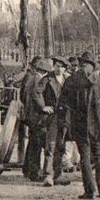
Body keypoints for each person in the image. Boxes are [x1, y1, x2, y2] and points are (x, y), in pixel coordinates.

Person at [63, 51, 100, 199]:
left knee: (85, 158)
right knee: (99, 157)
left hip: (80, 125)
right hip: (97, 125)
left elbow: (65, 103)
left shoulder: (72, 81)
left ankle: (90, 191)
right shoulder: (98, 82)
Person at [21, 57, 52, 180]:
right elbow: (35, 94)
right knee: (37, 145)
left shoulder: (30, 78)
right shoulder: (38, 79)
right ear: (44, 71)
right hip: (36, 116)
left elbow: (23, 95)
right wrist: (43, 107)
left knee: (33, 142)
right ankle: (35, 172)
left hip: (30, 115)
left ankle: (28, 169)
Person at [41, 57, 70, 187]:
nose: (59, 69)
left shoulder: (67, 80)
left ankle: (58, 174)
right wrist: (43, 106)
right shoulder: (47, 79)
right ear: (54, 66)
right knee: (50, 146)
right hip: (52, 117)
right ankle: (48, 175)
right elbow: (36, 93)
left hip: (64, 117)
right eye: (57, 66)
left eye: (62, 67)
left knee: (61, 145)